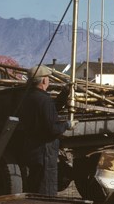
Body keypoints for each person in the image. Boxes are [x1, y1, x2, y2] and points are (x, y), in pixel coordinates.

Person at [19, 64, 73, 196]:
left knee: (34, 182)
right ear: (44, 80)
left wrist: (65, 93)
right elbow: (52, 130)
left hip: (32, 147)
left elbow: (50, 110)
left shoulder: (27, 97)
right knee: (46, 185)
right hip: (45, 150)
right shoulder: (44, 100)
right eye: (48, 78)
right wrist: (67, 125)